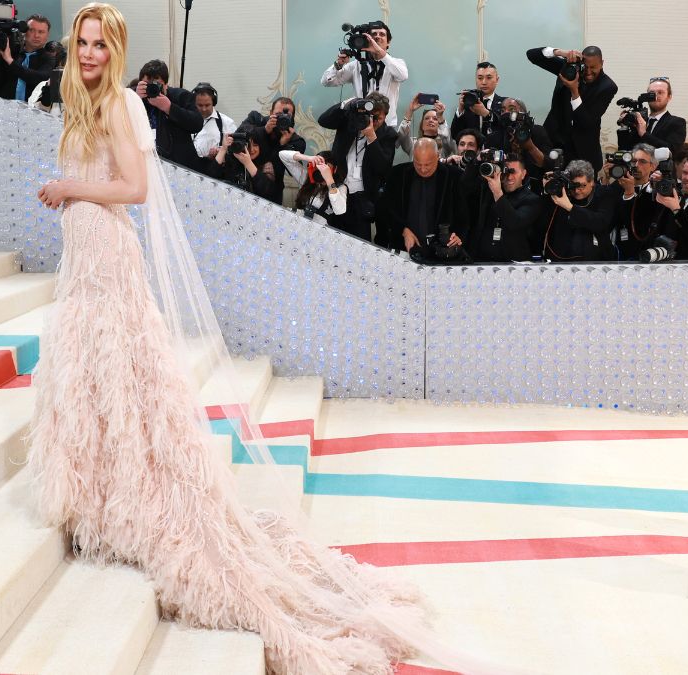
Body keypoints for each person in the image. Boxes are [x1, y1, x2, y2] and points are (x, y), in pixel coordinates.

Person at [28, 5, 451, 674]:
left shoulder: (117, 106)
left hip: (107, 251)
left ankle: (130, 494)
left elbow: (136, 188)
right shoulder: (80, 103)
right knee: (95, 372)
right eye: (79, 43)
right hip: (84, 252)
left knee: (118, 367)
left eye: (98, 44)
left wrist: (67, 187)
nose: (86, 54)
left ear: (115, 48)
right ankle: (100, 485)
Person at [317, 92, 399, 243]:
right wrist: (346, 104)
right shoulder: (351, 120)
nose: (372, 121)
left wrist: (372, 138)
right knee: (331, 239)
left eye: (378, 118)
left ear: (385, 116)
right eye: (370, 116)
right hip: (338, 190)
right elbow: (323, 120)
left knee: (360, 244)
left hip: (363, 198)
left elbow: (383, 169)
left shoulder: (388, 134)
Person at [526, 45, 618, 172]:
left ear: (602, 63)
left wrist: (574, 91)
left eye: (593, 67)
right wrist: (561, 53)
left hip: (582, 152)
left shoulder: (608, 87)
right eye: (585, 66)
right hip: (553, 143)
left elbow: (586, 122)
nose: (589, 72)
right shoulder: (569, 69)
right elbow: (532, 55)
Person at [376, 138, 467, 254]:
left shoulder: (454, 176)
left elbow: (463, 214)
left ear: (437, 156)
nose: (423, 169)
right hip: (404, 246)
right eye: (418, 164)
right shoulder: (397, 174)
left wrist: (458, 235)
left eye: (427, 164)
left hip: (442, 249)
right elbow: (385, 208)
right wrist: (403, 230)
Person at [320, 20, 408, 126]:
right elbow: (326, 82)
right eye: (373, 34)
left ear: (388, 42)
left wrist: (381, 53)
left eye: (382, 34)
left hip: (386, 126)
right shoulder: (356, 65)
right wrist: (338, 65)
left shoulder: (397, 63)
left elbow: (402, 76)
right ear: (367, 39)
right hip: (360, 125)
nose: (377, 37)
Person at [467, 154, 545, 262]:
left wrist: (497, 193)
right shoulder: (488, 191)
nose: (509, 177)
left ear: (523, 174)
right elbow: (464, 186)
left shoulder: (532, 200)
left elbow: (515, 222)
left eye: (513, 172)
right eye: (506, 172)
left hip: (515, 265)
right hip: (482, 261)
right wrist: (478, 159)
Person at [540, 159, 615, 260]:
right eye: (573, 185)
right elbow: (544, 218)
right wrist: (548, 188)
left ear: (592, 182)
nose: (576, 191)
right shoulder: (563, 191)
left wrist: (570, 207)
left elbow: (600, 222)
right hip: (561, 257)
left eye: (582, 186)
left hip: (595, 259)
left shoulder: (604, 194)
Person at [134, 59, 202, 171]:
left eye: (157, 84)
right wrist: (135, 100)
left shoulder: (181, 96)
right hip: (146, 166)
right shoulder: (133, 98)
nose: (152, 88)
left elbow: (197, 124)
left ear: (166, 84)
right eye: (147, 85)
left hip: (178, 166)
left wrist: (169, 108)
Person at [204, 126, 282, 205]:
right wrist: (223, 149)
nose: (251, 150)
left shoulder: (265, 163)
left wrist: (248, 164)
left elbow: (269, 192)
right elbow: (209, 179)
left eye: (255, 145)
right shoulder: (229, 158)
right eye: (247, 145)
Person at [0, 14, 56, 102]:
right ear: (24, 32)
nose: (36, 35)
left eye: (41, 32)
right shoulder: (11, 51)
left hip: (34, 110)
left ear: (47, 35)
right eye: (32, 30)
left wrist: (11, 62)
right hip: (4, 106)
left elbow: (39, 78)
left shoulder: (48, 58)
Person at [615, 76, 686, 152]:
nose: (655, 96)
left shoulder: (677, 122)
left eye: (660, 92)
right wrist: (624, 128)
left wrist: (644, 134)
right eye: (651, 93)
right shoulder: (639, 120)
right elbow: (626, 150)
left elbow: (673, 150)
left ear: (669, 97)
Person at [280, 149, 347, 227]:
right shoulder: (305, 177)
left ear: (335, 169)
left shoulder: (340, 188)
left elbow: (340, 210)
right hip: (297, 224)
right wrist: (308, 158)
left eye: (326, 167)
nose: (321, 171)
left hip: (319, 231)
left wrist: (329, 180)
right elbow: (282, 155)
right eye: (319, 167)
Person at [451, 61, 504, 138]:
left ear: (497, 80)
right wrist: (460, 110)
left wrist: (487, 114)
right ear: (476, 79)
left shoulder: (505, 104)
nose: (484, 82)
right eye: (480, 78)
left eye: (489, 78)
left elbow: (506, 128)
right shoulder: (468, 105)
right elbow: (455, 135)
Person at [191, 82, 236, 159]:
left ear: (214, 102)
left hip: (215, 168)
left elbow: (235, 150)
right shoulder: (187, 120)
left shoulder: (227, 123)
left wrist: (221, 151)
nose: (204, 109)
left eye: (207, 105)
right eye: (200, 105)